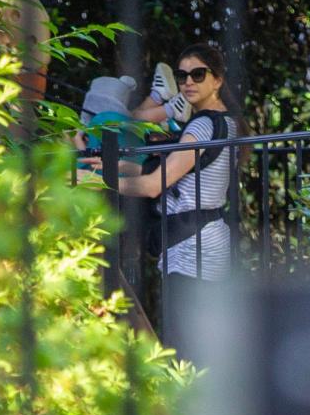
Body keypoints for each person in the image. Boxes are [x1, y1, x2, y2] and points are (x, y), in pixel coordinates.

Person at [79, 43, 249, 342]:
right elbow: (169, 170)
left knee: (188, 344)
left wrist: (98, 179)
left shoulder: (203, 127)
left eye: (198, 75)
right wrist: (110, 166)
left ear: (218, 79)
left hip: (193, 247)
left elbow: (153, 184)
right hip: (204, 240)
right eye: (183, 76)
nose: (188, 83)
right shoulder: (227, 123)